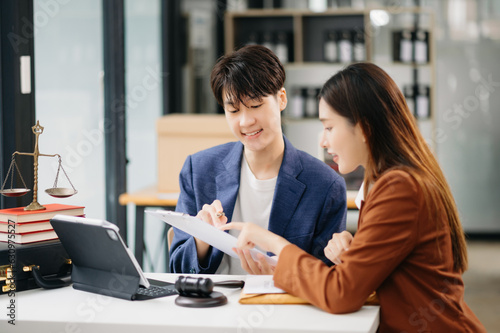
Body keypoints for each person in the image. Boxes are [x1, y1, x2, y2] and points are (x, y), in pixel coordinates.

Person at [220, 63, 486, 332]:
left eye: (329, 127)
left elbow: (340, 294)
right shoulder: (389, 180)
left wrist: (275, 243)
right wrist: (358, 251)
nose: (323, 142)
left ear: (363, 128)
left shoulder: (399, 187)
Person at [169, 45, 347, 275]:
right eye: (233, 111)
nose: (245, 121)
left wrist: (282, 276)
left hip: (285, 306)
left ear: (281, 99)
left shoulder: (325, 185)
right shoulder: (199, 170)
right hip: (214, 306)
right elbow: (176, 270)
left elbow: (328, 278)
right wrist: (201, 239)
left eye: (255, 105)